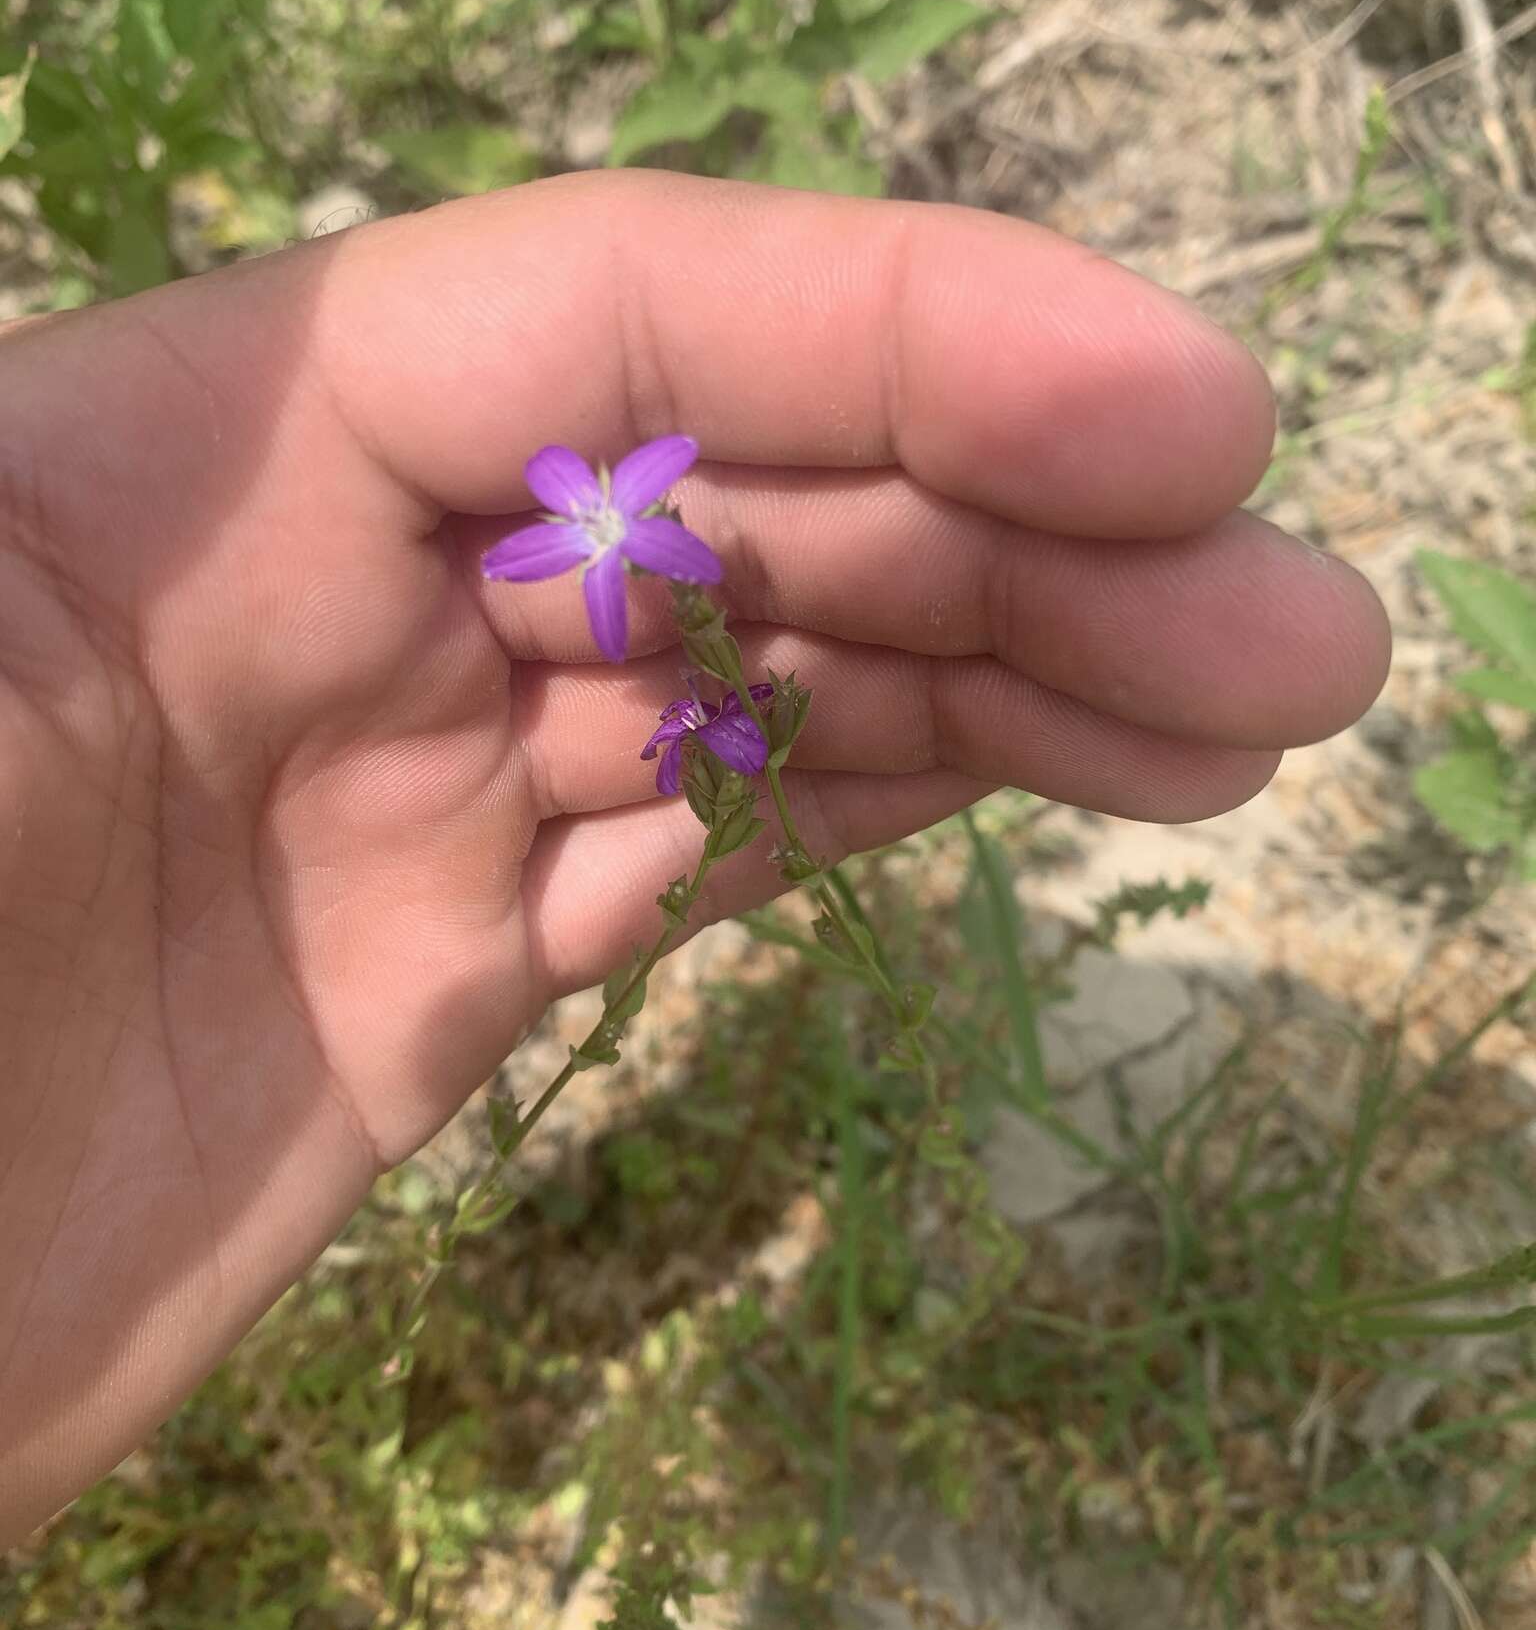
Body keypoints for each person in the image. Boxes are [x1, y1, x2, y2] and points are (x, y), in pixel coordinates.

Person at [0, 171, 1391, 1544]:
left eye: (608, 516)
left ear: (635, 512)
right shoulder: (597, 561)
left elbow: (662, 588)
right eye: (589, 522)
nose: (595, 524)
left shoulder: (649, 541)